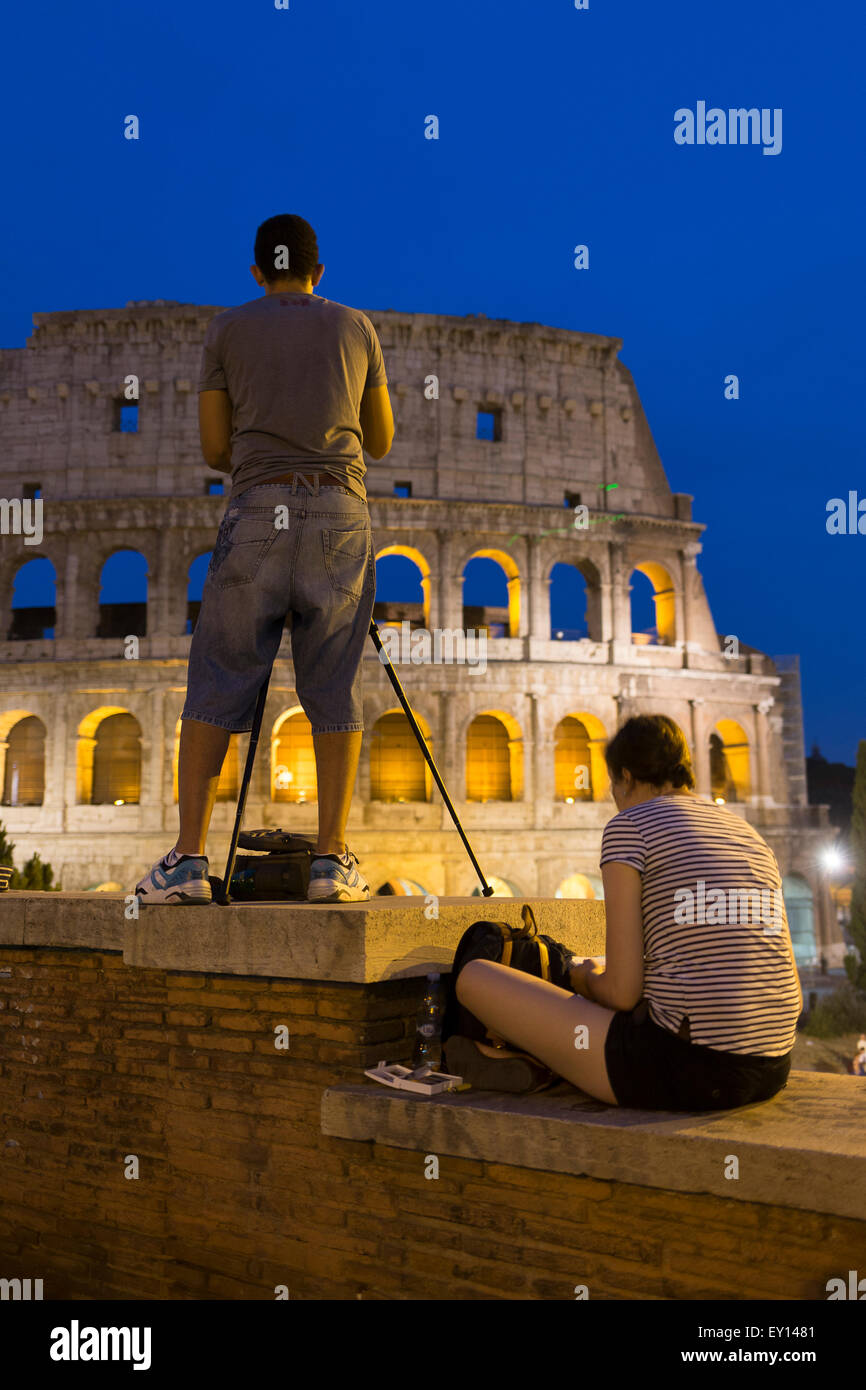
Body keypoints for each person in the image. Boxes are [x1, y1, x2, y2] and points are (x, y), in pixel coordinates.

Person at [135, 214, 394, 905]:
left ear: (256, 272)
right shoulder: (356, 327)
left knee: (219, 676)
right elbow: (383, 439)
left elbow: (215, 449)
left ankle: (188, 861)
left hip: (257, 510)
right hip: (339, 510)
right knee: (333, 684)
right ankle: (330, 862)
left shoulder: (227, 330)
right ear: (320, 269)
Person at [451, 714, 803, 1111]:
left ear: (627, 776)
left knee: (474, 976)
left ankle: (528, 1057)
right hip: (774, 1063)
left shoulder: (630, 826)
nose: (613, 797)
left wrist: (582, 979)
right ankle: (524, 1059)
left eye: (613, 785)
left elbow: (621, 993)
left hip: (690, 1068)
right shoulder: (748, 834)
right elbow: (786, 985)